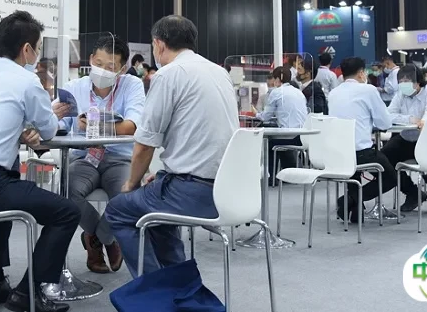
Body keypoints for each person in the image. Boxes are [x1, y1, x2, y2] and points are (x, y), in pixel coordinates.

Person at [0, 11, 79, 312]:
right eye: (38, 48)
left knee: (9, 181)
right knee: (67, 212)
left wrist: (20, 128)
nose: (37, 55)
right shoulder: (27, 80)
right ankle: (29, 292)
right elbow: (49, 130)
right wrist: (49, 114)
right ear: (27, 49)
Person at [104, 15, 237, 278]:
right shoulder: (219, 72)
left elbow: (145, 144)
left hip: (194, 192)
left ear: (158, 44)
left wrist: (131, 183)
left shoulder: (168, 74)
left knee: (118, 209)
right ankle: (178, 285)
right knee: (157, 215)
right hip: (229, 189)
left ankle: (155, 290)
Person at [60, 35, 144, 274]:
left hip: (120, 158)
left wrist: (97, 126)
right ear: (90, 60)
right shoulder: (73, 88)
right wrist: (55, 119)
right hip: (83, 158)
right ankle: (101, 237)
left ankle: (100, 239)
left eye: (110, 67)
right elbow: (60, 124)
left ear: (122, 69)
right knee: (67, 191)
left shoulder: (132, 85)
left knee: (127, 194)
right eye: (98, 63)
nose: (103, 70)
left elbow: (133, 125)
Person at [329, 57, 395, 221]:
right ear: (360, 73)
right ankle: (349, 200)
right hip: (361, 153)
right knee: (391, 177)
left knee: (355, 171)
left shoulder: (333, 93)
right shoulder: (368, 90)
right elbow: (385, 123)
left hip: (337, 153)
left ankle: (355, 210)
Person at [380, 64, 427, 215]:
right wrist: (409, 119)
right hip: (407, 138)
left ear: (418, 81)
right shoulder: (400, 95)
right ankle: (413, 193)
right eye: (401, 81)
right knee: (383, 158)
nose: (403, 84)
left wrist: (423, 121)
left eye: (407, 81)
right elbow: (388, 115)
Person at [253, 66, 308, 180]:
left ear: (277, 79)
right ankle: (286, 174)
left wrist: (256, 114)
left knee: (270, 143)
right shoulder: (299, 92)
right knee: (278, 140)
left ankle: (271, 178)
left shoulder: (276, 92)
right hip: (303, 136)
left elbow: (265, 117)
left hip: (290, 136)